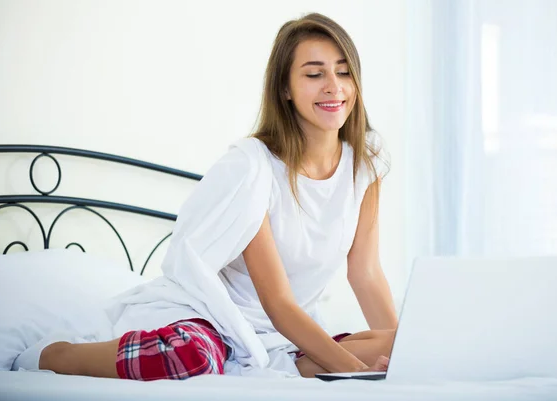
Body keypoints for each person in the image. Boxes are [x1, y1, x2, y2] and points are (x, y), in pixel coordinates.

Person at [29, 12, 398, 380]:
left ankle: (282, 366)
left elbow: (365, 274)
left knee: (397, 348)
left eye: (344, 71)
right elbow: (278, 303)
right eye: (315, 74)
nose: (334, 86)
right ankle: (53, 355)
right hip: (212, 319)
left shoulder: (364, 166)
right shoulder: (253, 169)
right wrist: (356, 372)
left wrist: (404, 349)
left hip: (281, 338)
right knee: (192, 359)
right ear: (285, 89)